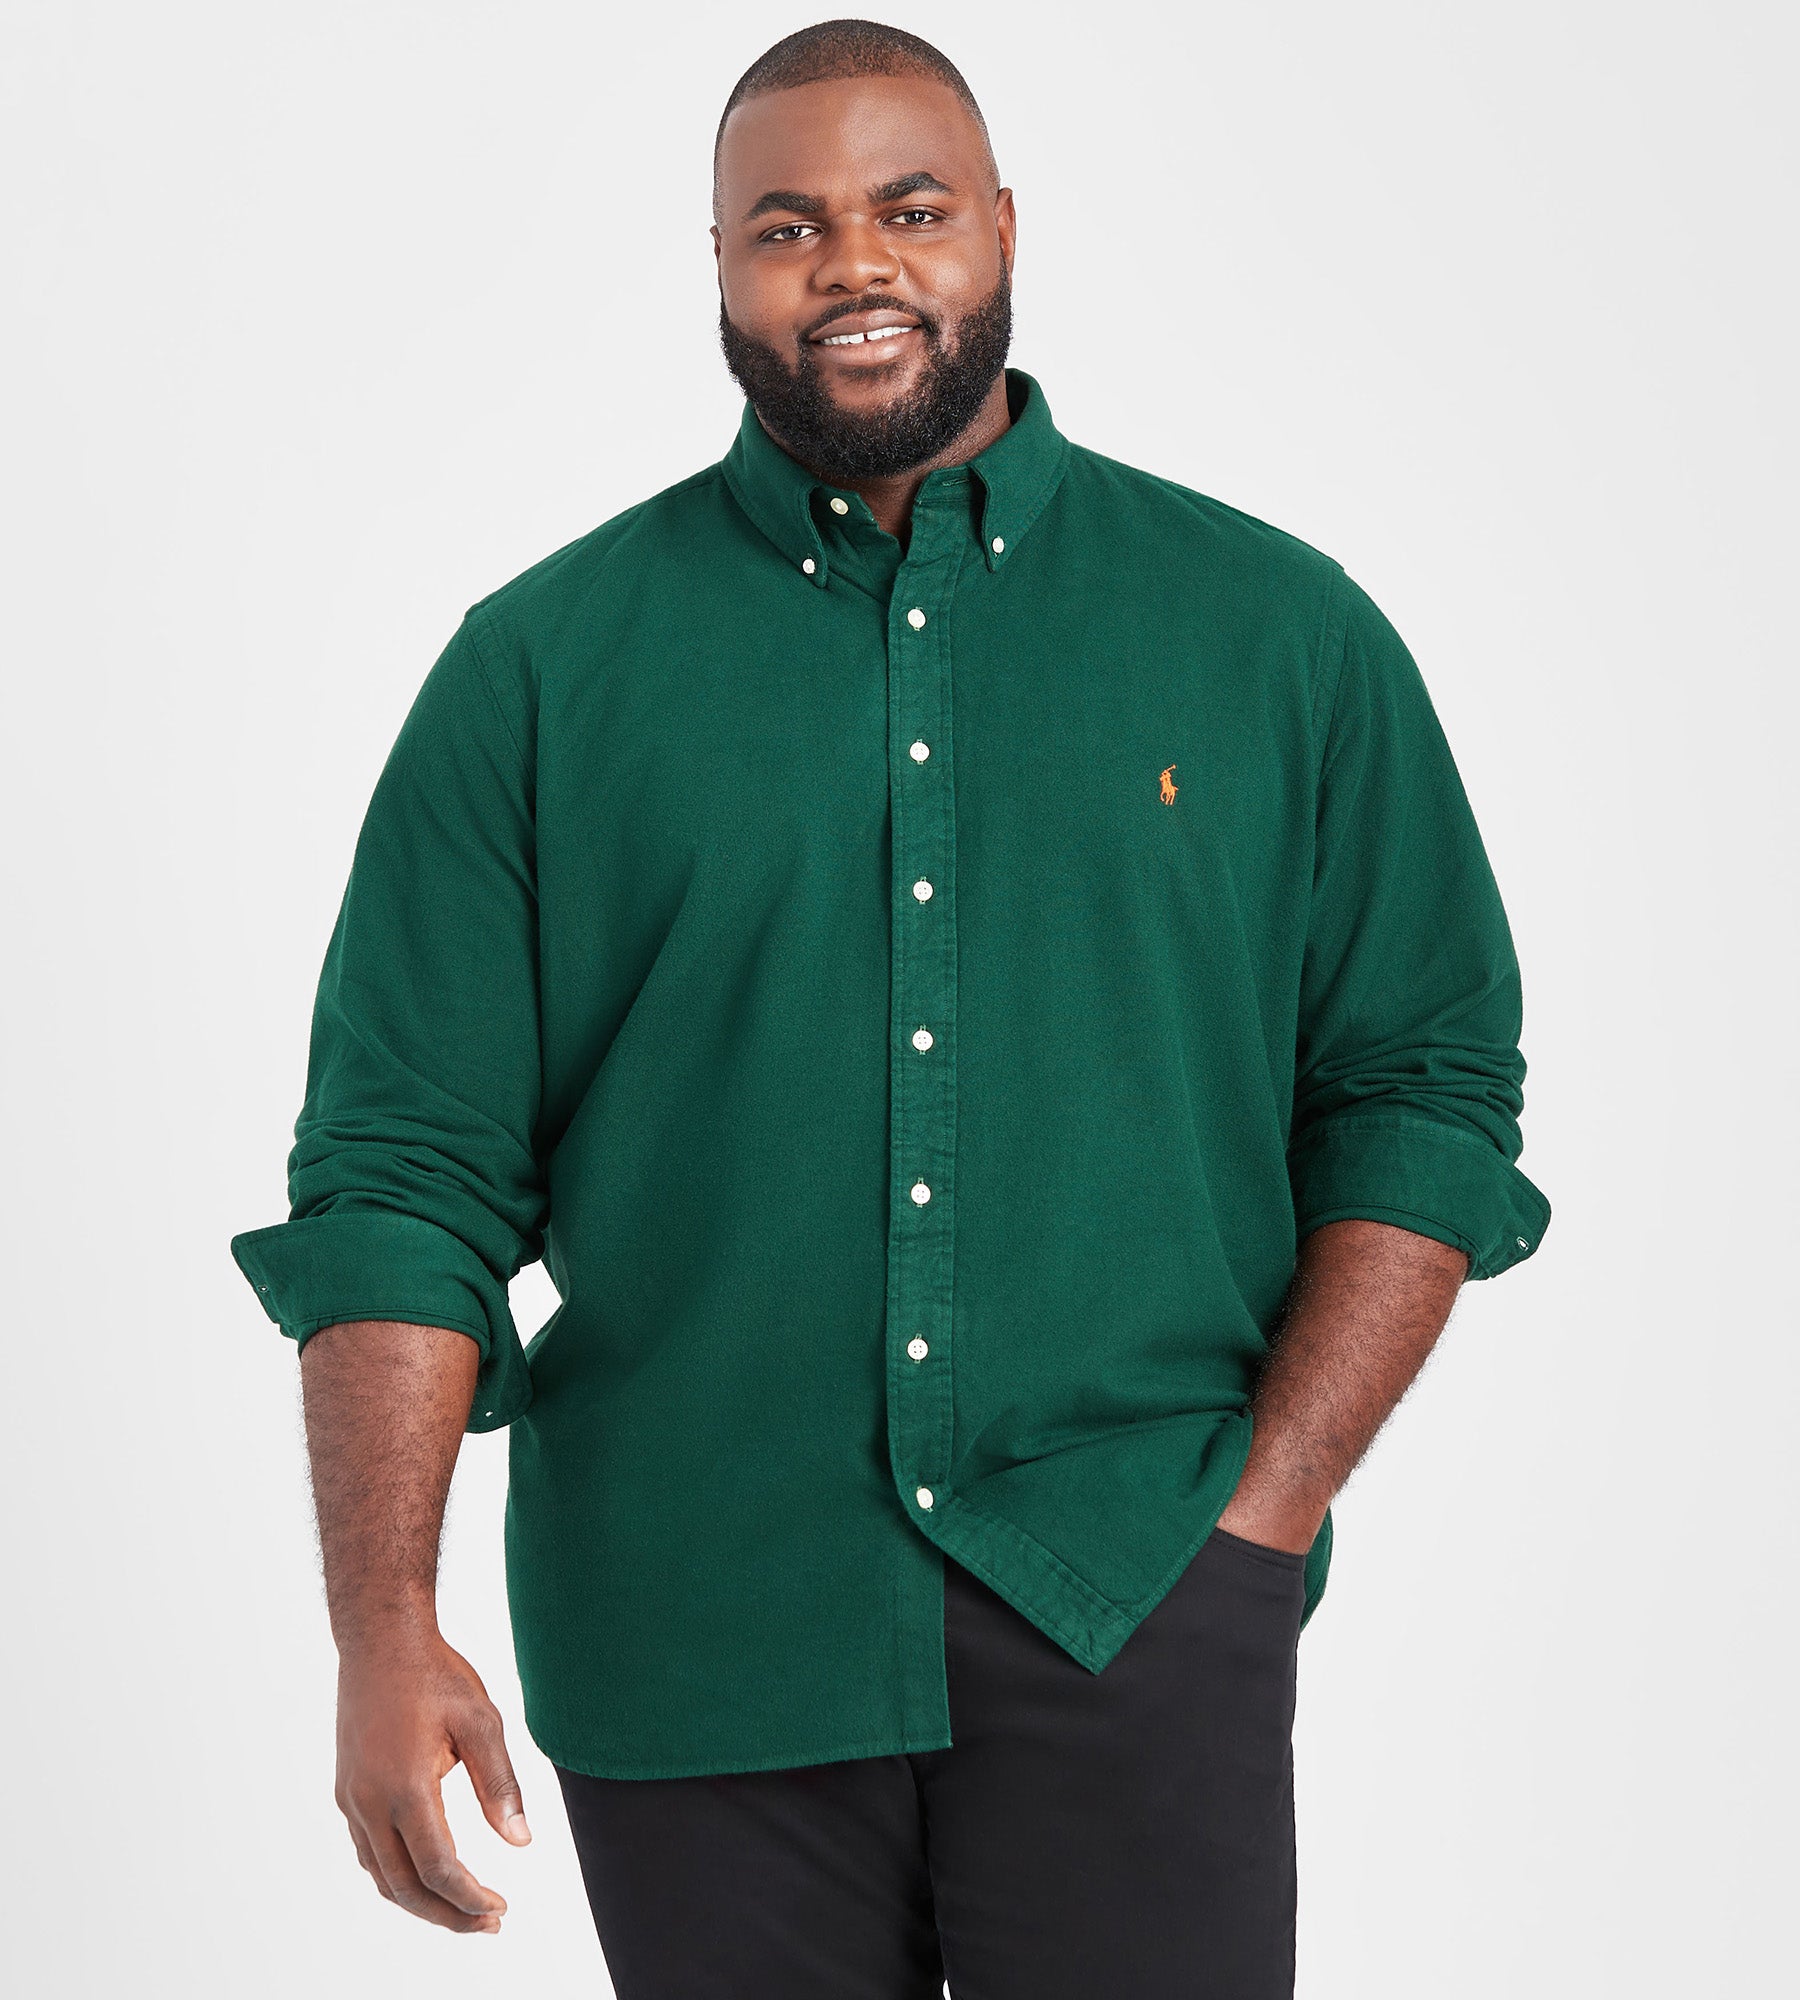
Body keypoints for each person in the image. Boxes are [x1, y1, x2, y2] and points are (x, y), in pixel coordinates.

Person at [231, 18, 1551, 1997]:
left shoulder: (1281, 637)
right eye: (786, 226)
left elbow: (1420, 1090)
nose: (852, 263)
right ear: (719, 265)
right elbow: (403, 1180)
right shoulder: (539, 673)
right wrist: (380, 1627)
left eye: (909, 210)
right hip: (696, 1626)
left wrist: (1265, 1509)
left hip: (1138, 1594)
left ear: (1003, 225)